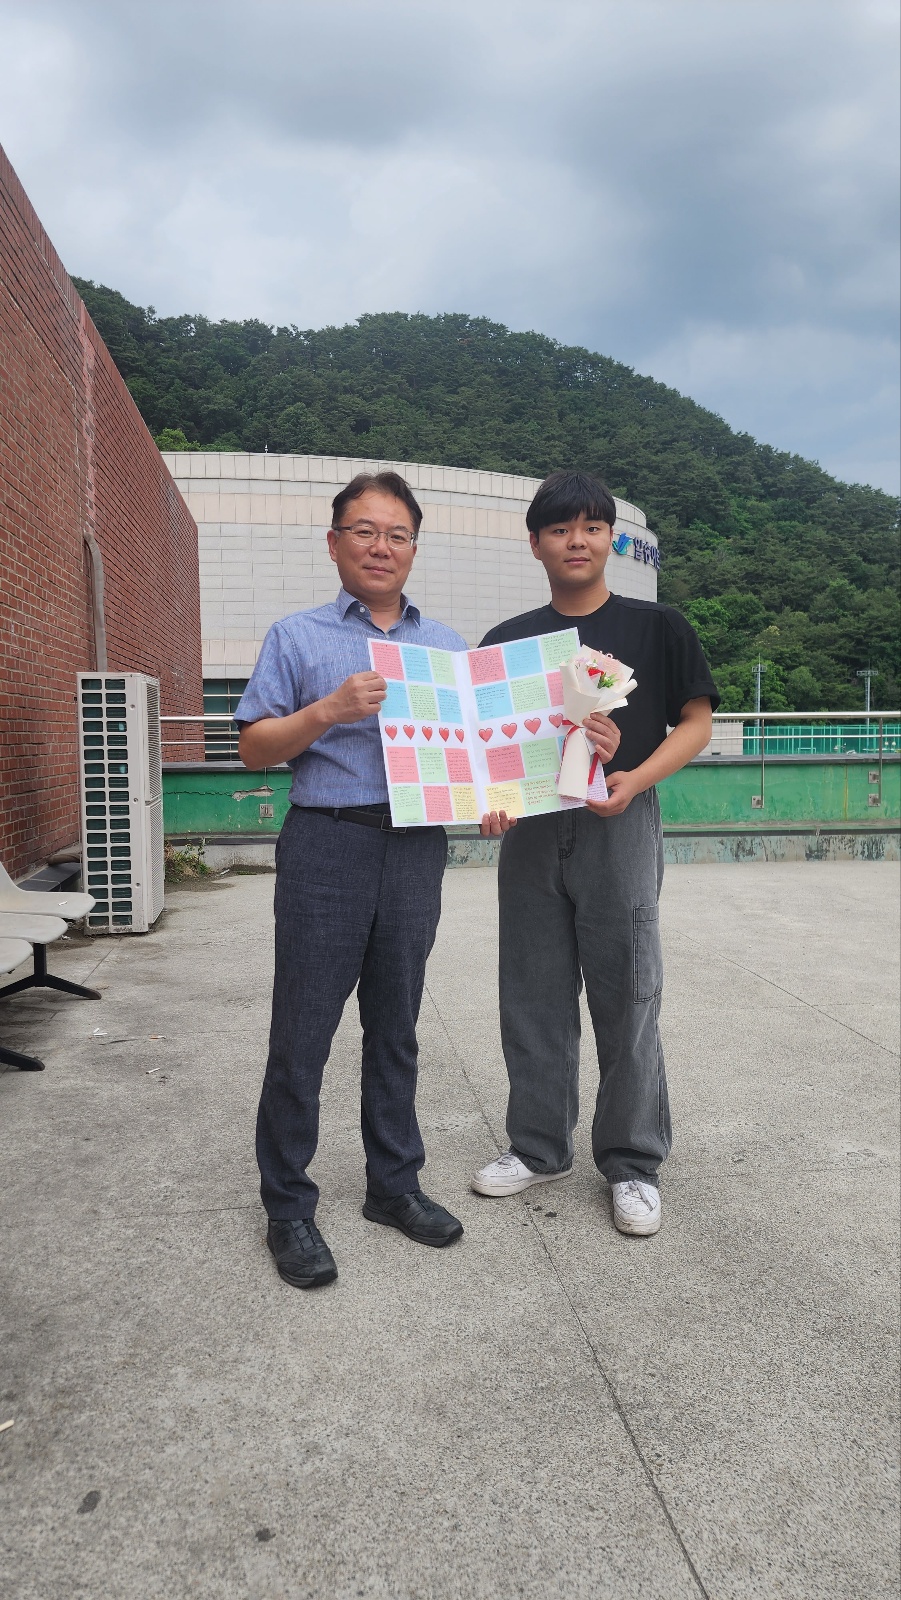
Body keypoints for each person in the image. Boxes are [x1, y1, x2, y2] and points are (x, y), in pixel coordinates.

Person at [235, 471, 468, 1290]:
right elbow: (253, 748)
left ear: (413, 548)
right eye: (364, 531)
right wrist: (327, 711)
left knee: (396, 1025)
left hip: (416, 847)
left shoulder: (447, 649)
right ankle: (287, 1207)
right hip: (326, 843)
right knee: (302, 1030)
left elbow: (475, 757)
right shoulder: (295, 637)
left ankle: (392, 1186)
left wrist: (494, 801)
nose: (380, 546)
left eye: (397, 534)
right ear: (334, 542)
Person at [471, 469, 719, 1236]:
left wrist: (634, 777)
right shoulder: (507, 642)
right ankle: (538, 1147)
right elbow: (485, 752)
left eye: (590, 526)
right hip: (533, 831)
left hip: (619, 821)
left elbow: (696, 723)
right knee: (532, 993)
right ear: (535, 544)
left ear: (610, 537)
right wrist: (489, 804)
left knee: (628, 992)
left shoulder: (657, 626)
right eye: (558, 529)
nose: (575, 541)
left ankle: (632, 1161)